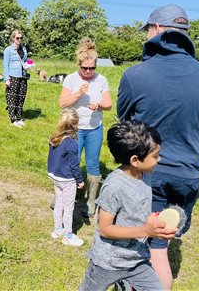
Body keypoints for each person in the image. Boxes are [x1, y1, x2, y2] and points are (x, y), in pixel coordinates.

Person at [117, 4, 199, 290]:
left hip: (151, 174)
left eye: (148, 30)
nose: (146, 36)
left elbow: (124, 122)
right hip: (189, 176)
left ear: (158, 30)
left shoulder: (135, 75)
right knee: (161, 241)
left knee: (152, 250)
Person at [79, 120, 177, 291]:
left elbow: (137, 211)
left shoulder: (145, 174)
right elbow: (105, 229)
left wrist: (155, 225)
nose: (159, 160)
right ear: (135, 160)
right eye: (155, 156)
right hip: (108, 262)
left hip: (138, 260)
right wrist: (145, 231)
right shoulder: (114, 186)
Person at [59, 38, 112, 217]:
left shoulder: (101, 80)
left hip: (94, 128)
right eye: (85, 68)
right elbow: (62, 103)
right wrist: (78, 93)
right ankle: (63, 196)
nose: (88, 71)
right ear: (79, 64)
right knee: (68, 162)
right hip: (74, 128)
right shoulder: (71, 79)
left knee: (93, 165)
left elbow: (109, 104)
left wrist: (99, 105)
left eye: (92, 68)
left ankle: (90, 202)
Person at [47, 108, 85, 247]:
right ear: (76, 125)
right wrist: (80, 181)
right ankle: (68, 236)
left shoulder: (54, 138)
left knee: (59, 204)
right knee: (68, 208)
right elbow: (75, 165)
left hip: (55, 176)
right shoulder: (72, 143)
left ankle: (58, 230)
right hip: (67, 180)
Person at [3, 30, 29, 128]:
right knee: (12, 97)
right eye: (17, 38)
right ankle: (12, 119)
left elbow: (25, 61)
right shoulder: (8, 50)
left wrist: (29, 65)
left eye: (21, 38)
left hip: (23, 76)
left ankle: (19, 117)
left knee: (21, 96)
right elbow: (5, 65)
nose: (19, 40)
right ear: (13, 38)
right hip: (13, 76)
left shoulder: (24, 49)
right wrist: (7, 79)